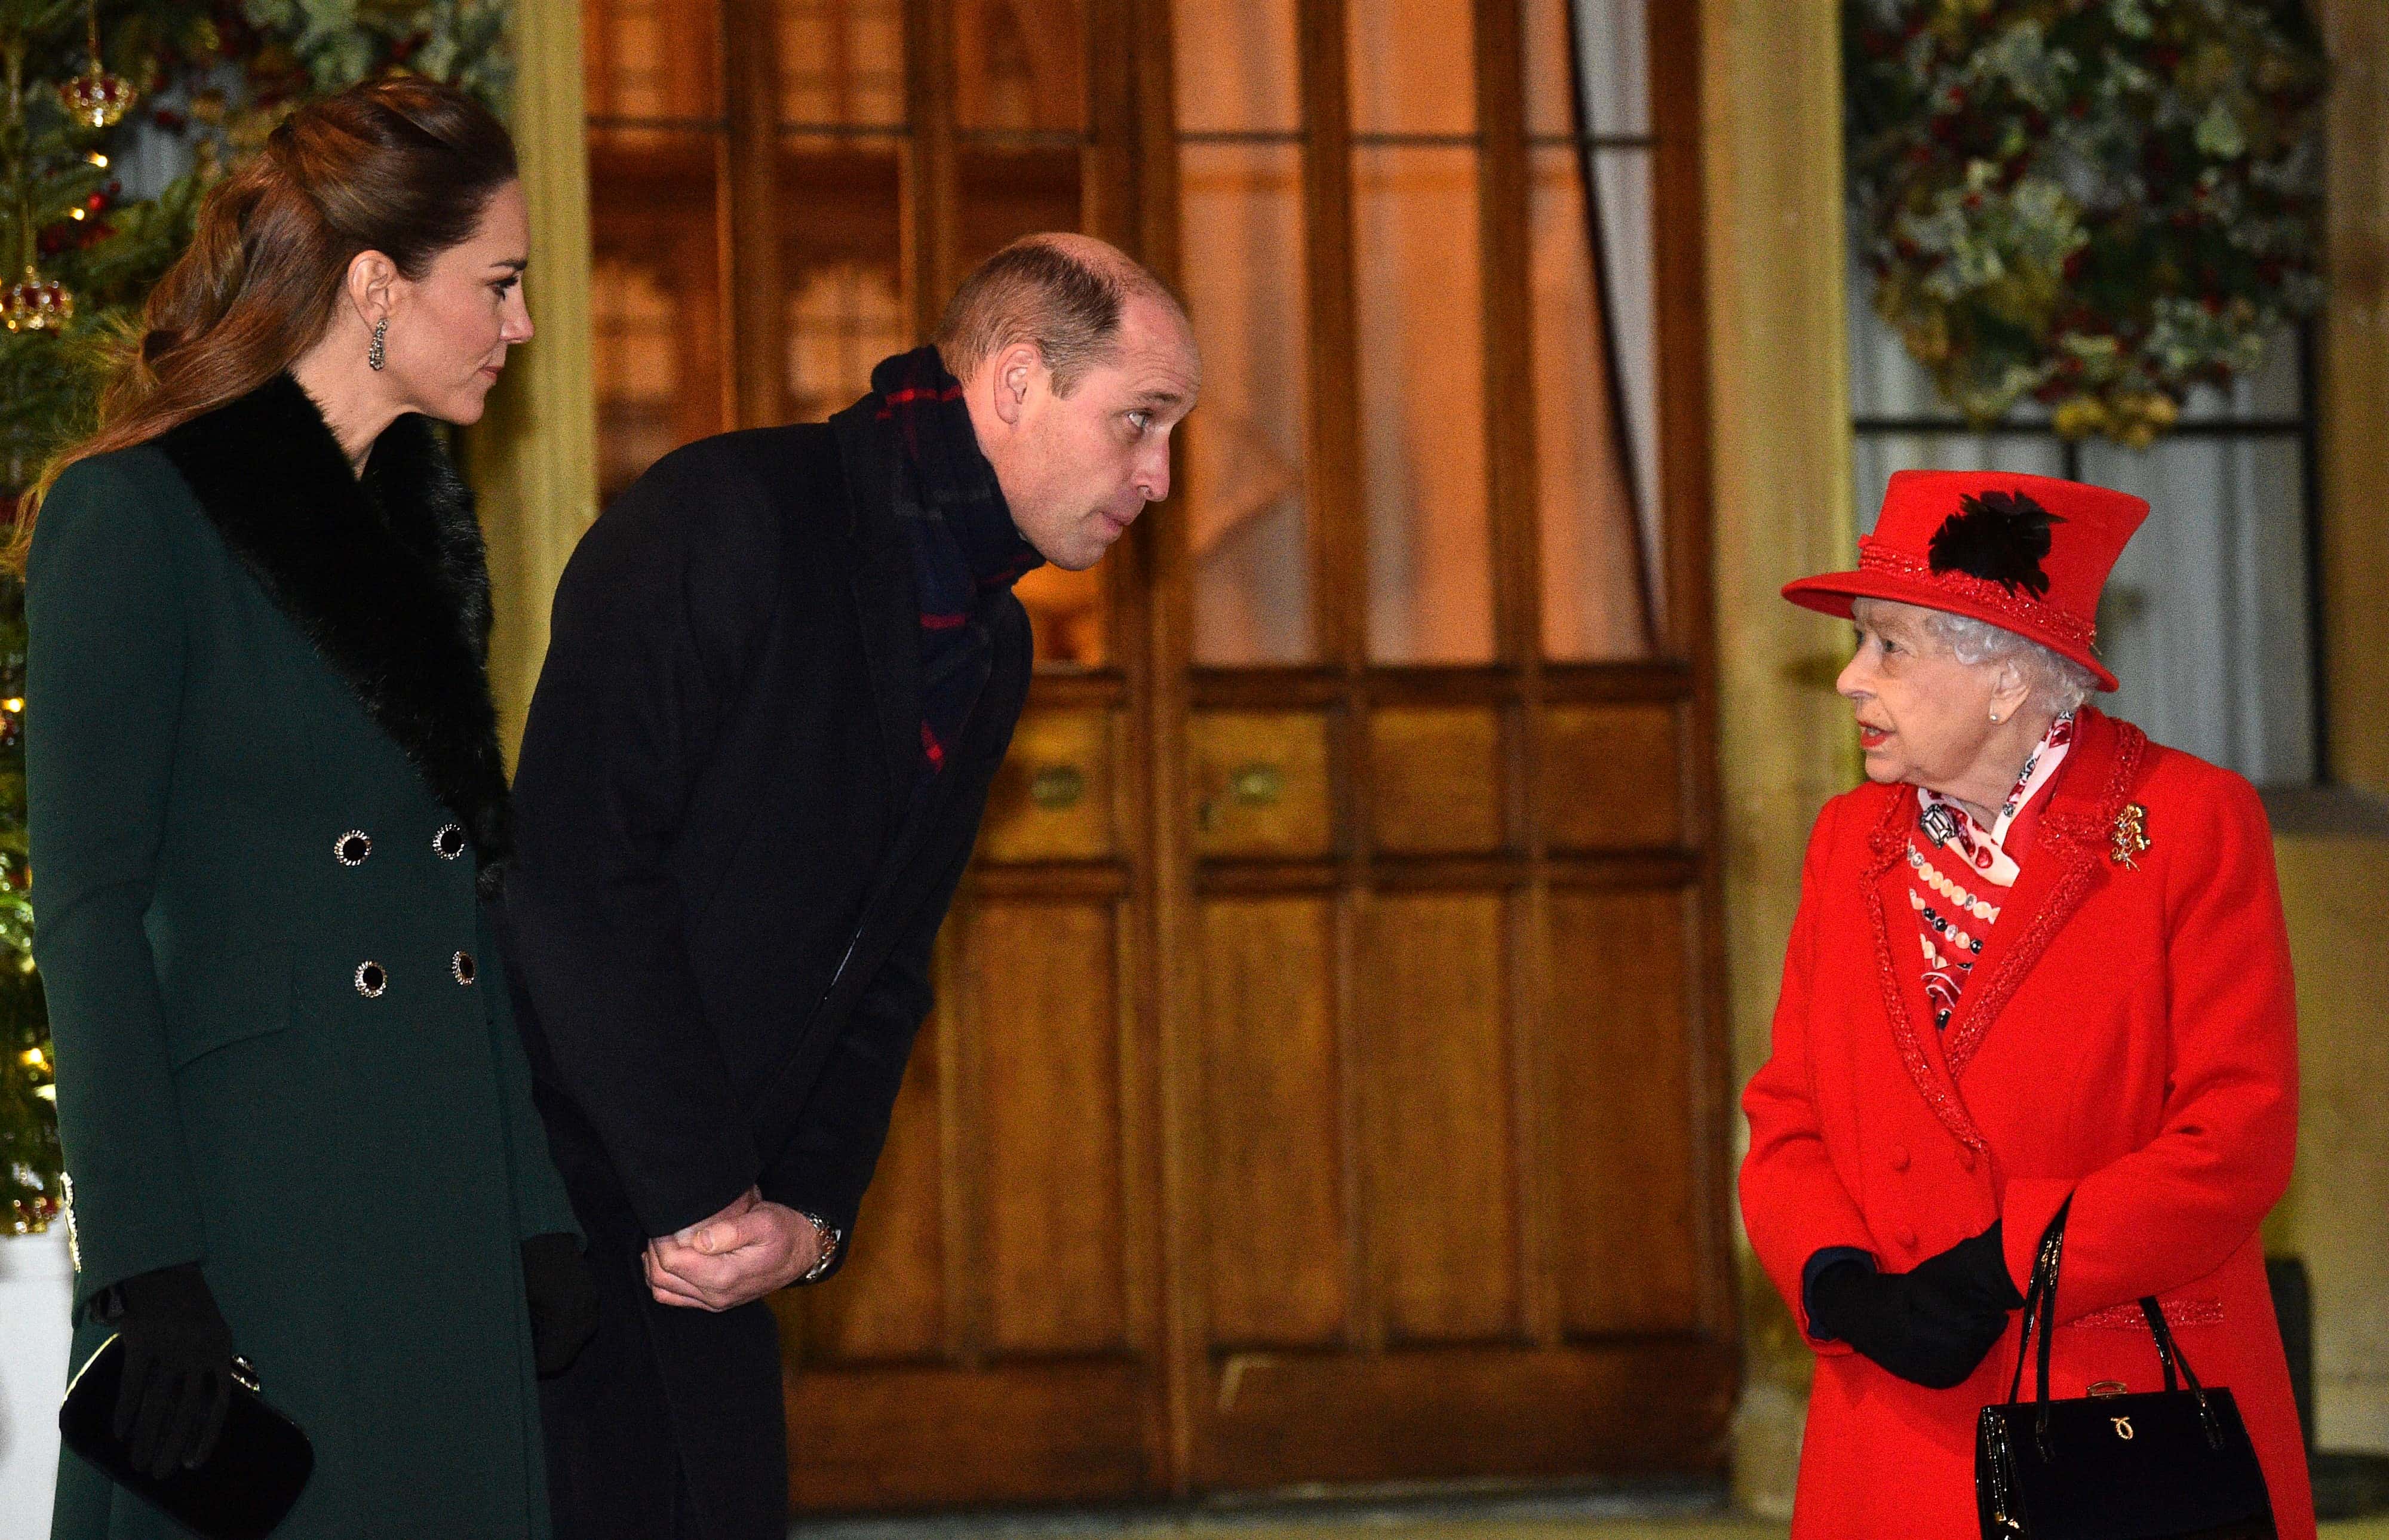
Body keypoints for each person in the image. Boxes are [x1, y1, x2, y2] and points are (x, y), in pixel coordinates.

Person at [502, 233, 1200, 1540]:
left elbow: (888, 965)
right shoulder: (724, 515)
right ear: (1013, 384)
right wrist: (702, 1191)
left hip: (717, 1238)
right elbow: (580, 881)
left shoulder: (990, 643)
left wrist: (809, 1214)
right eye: (1138, 424)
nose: (1157, 478)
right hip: (549, 1215)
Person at [21, 78, 597, 1540]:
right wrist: (146, 1261)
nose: (521, 328)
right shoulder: (133, 516)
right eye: (502, 284)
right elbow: (85, 914)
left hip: (438, 1187)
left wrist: (529, 1204)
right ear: (375, 285)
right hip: (259, 1200)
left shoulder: (417, 520)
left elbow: (454, 888)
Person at [1739, 469, 2313, 1539]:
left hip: (2115, 1412)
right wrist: (1838, 1280)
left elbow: (2236, 1137)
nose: (1850, 681)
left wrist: (2005, 1265)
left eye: (1889, 645)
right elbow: (1788, 1118)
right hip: (1891, 1428)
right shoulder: (1845, 842)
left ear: (2003, 674)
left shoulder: (2188, 825)